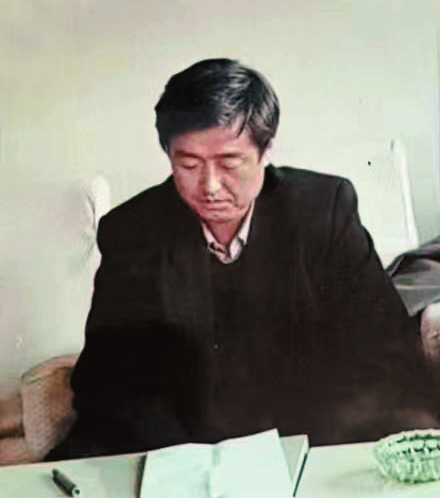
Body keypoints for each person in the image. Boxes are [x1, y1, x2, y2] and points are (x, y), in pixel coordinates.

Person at [49, 58, 439, 460]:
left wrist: (297, 453)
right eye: (189, 164)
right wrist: (186, 459)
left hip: (311, 436)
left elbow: (384, 350)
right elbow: (104, 381)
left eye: (229, 163)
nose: (211, 187)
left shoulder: (322, 209)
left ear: (265, 150)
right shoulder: (133, 231)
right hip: (181, 450)